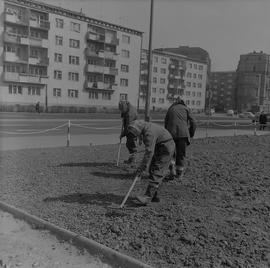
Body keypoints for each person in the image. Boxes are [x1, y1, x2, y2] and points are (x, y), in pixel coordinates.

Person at [127, 119, 175, 205]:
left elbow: (149, 152)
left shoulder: (149, 133)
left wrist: (142, 167)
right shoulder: (146, 127)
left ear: (138, 128)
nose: (135, 134)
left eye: (135, 131)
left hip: (166, 148)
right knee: (152, 169)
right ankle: (155, 196)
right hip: (160, 146)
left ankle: (148, 197)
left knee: (157, 170)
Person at [165, 97, 196, 180]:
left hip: (170, 135)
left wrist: (166, 135)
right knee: (181, 154)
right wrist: (191, 133)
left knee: (171, 153)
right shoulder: (186, 109)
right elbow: (193, 122)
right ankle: (179, 174)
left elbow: (166, 122)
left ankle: (172, 169)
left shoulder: (171, 109)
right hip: (183, 135)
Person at [118, 100, 138, 164]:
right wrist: (123, 115)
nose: (121, 111)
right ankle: (131, 159)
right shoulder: (127, 108)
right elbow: (123, 113)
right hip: (130, 129)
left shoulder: (130, 114)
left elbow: (128, 127)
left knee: (131, 145)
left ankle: (132, 160)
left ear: (125, 107)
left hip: (133, 130)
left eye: (122, 109)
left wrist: (122, 134)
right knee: (129, 144)